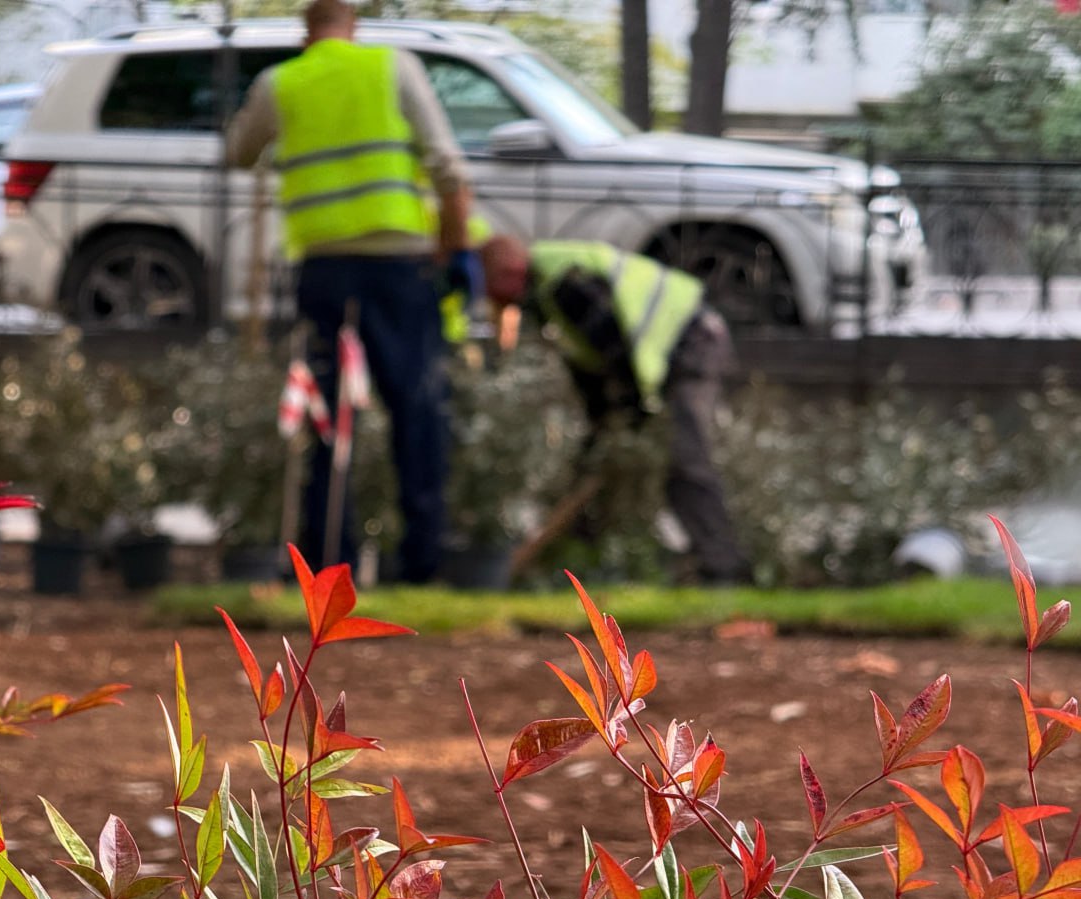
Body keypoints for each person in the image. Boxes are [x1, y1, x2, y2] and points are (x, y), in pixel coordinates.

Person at [227, 0, 479, 582]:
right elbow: (449, 170)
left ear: (306, 31)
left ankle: (326, 565)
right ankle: (422, 563)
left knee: (327, 416)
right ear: (354, 26)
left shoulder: (280, 82)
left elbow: (238, 153)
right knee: (416, 408)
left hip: (324, 271)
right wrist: (454, 252)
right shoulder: (393, 68)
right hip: (399, 267)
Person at [481, 234, 754, 586]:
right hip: (673, 348)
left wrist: (630, 412)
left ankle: (725, 572)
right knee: (597, 463)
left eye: (490, 285)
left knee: (686, 460)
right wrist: (604, 428)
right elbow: (592, 367)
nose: (491, 298)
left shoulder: (566, 282)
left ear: (509, 269)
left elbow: (616, 347)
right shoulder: (548, 291)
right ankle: (574, 564)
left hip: (691, 342)